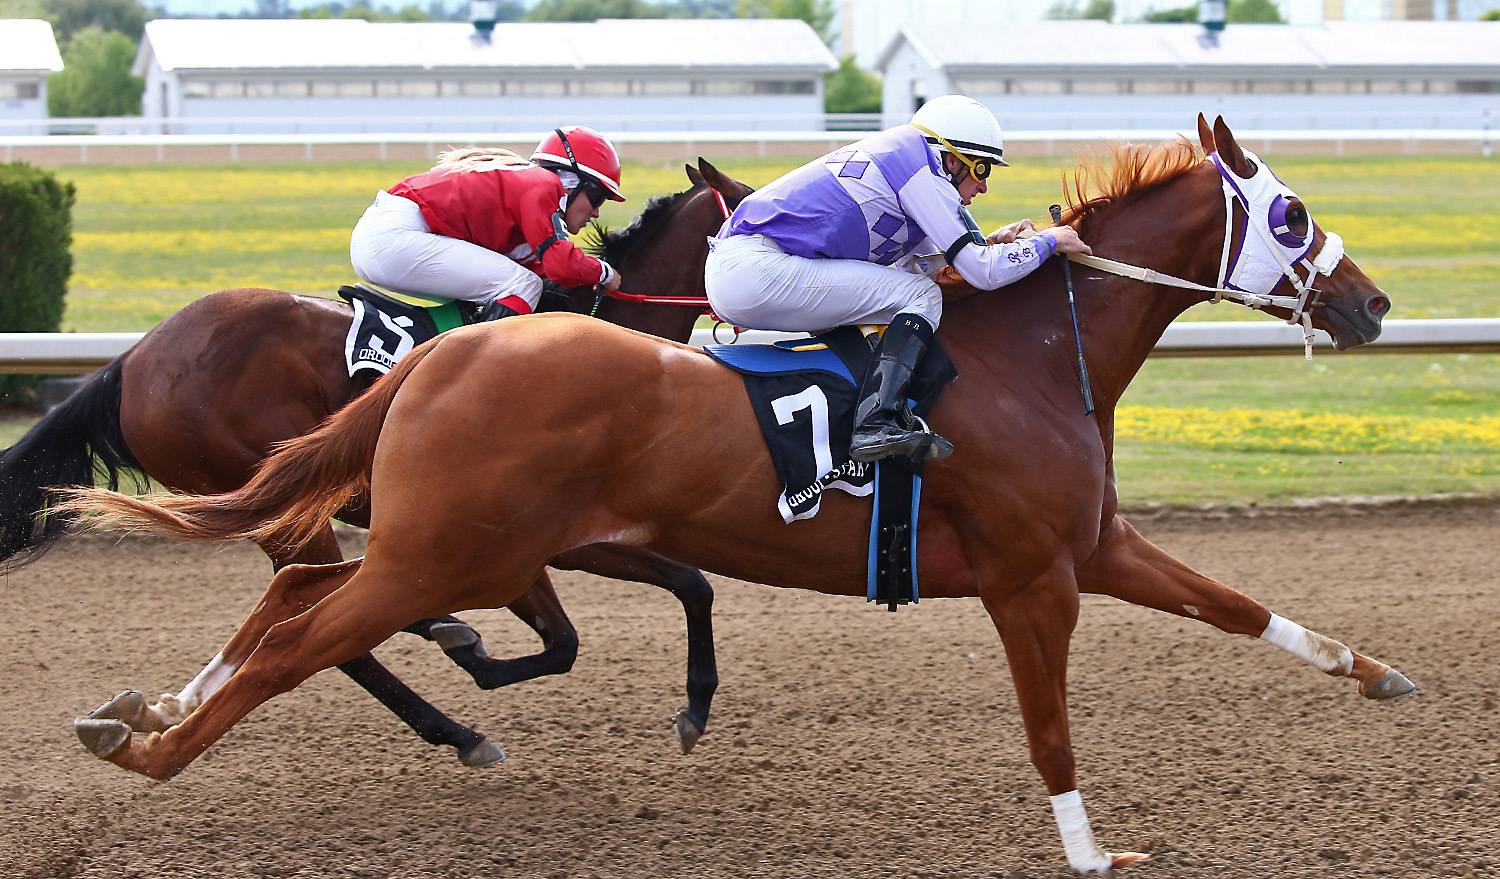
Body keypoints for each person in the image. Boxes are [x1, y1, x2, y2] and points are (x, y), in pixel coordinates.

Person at [704, 95, 1092, 463]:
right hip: (755, 269)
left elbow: (910, 269)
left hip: (746, 272)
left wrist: (992, 241)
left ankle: (857, 407)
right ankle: (876, 420)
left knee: (908, 294)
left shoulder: (904, 166)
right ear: (951, 159)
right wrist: (1048, 241)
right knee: (923, 297)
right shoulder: (920, 167)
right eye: (982, 169)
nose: (985, 186)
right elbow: (982, 273)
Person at [350, 125, 626, 322]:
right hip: (395, 239)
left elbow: (548, 270)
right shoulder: (544, 184)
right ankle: (479, 376)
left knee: (513, 282)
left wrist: (587, 274)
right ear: (573, 183)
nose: (596, 213)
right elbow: (560, 265)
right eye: (598, 198)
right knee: (522, 286)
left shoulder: (527, 186)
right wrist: (604, 273)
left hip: (385, 236)